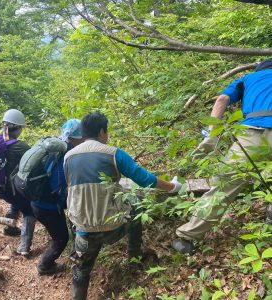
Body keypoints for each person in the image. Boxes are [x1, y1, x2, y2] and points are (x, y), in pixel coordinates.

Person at [64, 112, 182, 300]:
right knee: (135, 206)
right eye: (107, 132)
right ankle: (135, 255)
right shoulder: (113, 153)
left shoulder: (68, 157)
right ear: (102, 132)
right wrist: (173, 187)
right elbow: (144, 179)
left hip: (83, 229)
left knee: (81, 271)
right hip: (113, 226)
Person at [172, 58, 272, 255]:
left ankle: (187, 239)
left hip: (252, 135)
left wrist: (211, 136)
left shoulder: (248, 78)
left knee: (222, 187)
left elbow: (222, 100)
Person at [29, 119, 84, 275]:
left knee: (67, 225)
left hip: (37, 199)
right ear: (76, 137)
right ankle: (44, 266)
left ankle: (76, 252)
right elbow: (57, 187)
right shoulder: (66, 154)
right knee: (61, 239)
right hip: (47, 206)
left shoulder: (54, 145)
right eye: (83, 137)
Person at [0, 109, 37, 250]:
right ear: (17, 128)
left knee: (17, 200)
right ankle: (24, 246)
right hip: (12, 189)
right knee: (29, 210)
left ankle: (9, 228)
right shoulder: (20, 146)